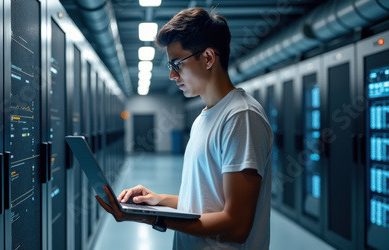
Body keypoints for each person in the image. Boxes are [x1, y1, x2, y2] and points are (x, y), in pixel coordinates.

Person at [96, 7, 273, 249]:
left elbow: (237, 225)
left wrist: (151, 217)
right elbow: (204, 202)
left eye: (177, 64)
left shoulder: (241, 117)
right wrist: (158, 200)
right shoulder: (204, 117)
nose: (171, 74)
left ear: (209, 58)